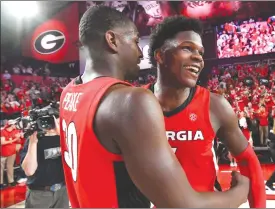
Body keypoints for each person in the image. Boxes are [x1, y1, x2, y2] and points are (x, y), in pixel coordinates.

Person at [59, 6, 250, 208]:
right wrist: (239, 193)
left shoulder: (69, 92)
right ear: (112, 40)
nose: (141, 53)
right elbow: (185, 205)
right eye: (134, 42)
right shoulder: (132, 101)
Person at [145, 16, 266, 208]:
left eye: (200, 52)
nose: (198, 58)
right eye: (187, 48)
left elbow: (248, 160)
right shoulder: (134, 104)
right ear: (159, 55)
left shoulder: (215, 106)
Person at [20, 117, 68, 208]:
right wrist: (33, 143)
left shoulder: (64, 138)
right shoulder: (34, 141)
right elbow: (29, 171)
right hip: (40, 194)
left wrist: (62, 135)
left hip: (62, 191)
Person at [0, 120, 22, 189]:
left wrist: (18, 138)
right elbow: (2, 142)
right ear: (11, 125)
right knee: (1, 168)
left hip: (12, 151)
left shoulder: (16, 131)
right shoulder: (3, 131)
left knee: (10, 166)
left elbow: (19, 141)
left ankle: (11, 181)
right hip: (3, 152)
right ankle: (0, 183)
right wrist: (14, 139)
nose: (16, 126)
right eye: (15, 124)